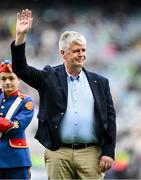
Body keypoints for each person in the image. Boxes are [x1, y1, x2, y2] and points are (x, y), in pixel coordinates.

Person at [11, 9, 116, 179]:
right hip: (58, 153)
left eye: (83, 50)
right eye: (76, 51)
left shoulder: (100, 82)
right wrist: (21, 36)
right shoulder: (48, 77)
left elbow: (110, 118)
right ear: (63, 54)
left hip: (91, 154)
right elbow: (20, 69)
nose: (81, 54)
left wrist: (108, 152)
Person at [0, 60, 34, 179]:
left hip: (16, 161)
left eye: (11, 78)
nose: (7, 82)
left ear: (19, 79)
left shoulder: (26, 101)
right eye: (3, 79)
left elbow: (14, 127)